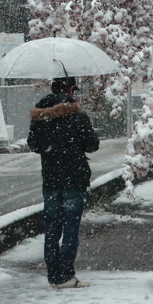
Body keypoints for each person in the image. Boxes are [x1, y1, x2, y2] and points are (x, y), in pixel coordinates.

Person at [27, 76, 99, 289]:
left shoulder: (39, 116)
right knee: (70, 227)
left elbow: (33, 145)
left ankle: (53, 275)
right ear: (69, 89)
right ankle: (66, 274)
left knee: (52, 227)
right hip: (74, 179)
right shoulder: (78, 116)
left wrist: (52, 147)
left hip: (50, 179)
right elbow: (92, 145)